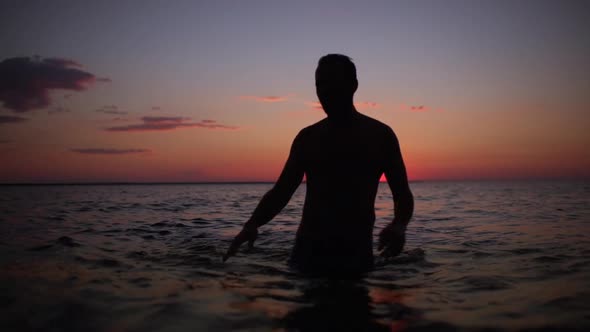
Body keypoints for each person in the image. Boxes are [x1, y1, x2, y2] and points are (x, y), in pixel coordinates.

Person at [223, 54, 414, 275]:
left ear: (353, 85)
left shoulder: (380, 136)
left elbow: (402, 193)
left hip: (356, 257)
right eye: (319, 84)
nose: (324, 91)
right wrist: (252, 223)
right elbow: (281, 191)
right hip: (306, 256)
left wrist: (399, 225)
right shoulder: (308, 138)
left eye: (332, 82)